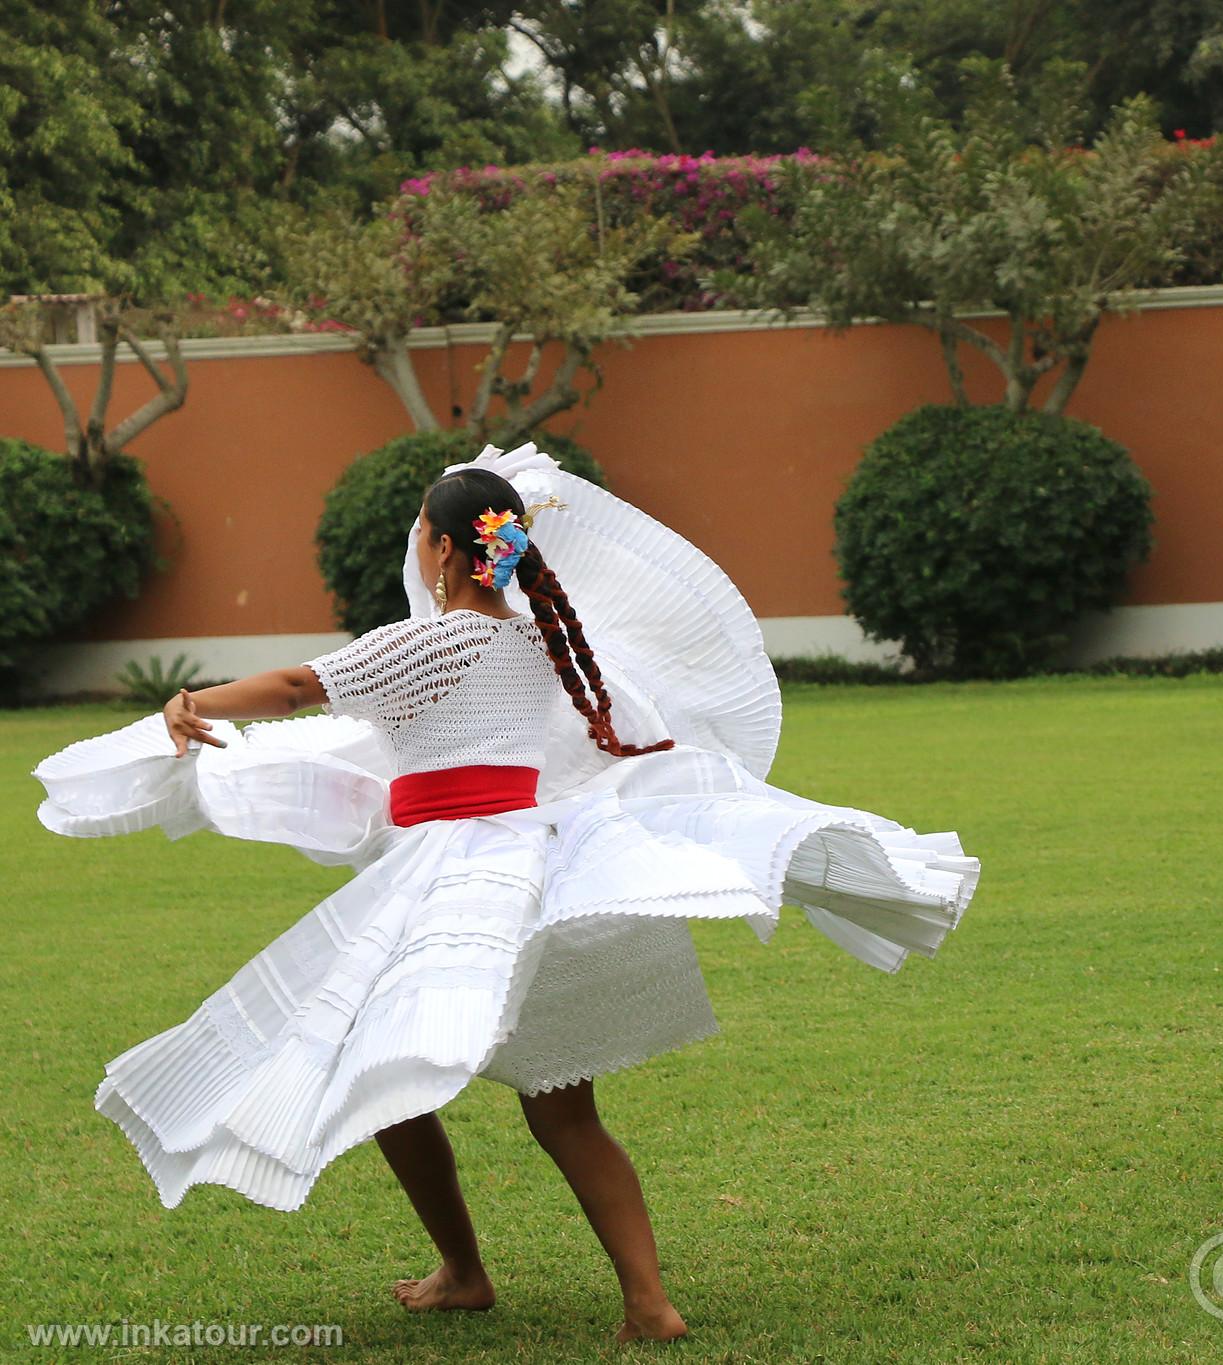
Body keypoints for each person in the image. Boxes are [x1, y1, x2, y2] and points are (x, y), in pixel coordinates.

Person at [32, 443, 979, 1345]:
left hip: (454, 878)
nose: (414, 543)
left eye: (417, 530)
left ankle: (465, 1268)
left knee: (383, 1075)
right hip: (535, 870)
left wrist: (192, 705)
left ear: (444, 548)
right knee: (560, 1107)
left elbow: (289, 686)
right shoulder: (548, 646)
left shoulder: (424, 647)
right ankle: (643, 1301)